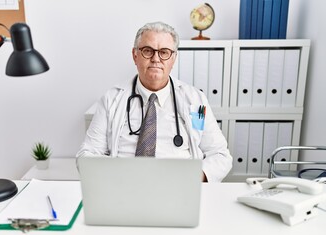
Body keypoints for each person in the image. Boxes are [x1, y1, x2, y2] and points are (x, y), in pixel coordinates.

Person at [76, 21, 232, 182]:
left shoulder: (196, 102)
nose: (156, 58)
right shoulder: (111, 100)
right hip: (124, 188)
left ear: (173, 59)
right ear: (135, 55)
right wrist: (118, 174)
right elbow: (86, 155)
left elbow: (220, 155)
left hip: (179, 191)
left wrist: (193, 178)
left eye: (164, 52)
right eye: (148, 51)